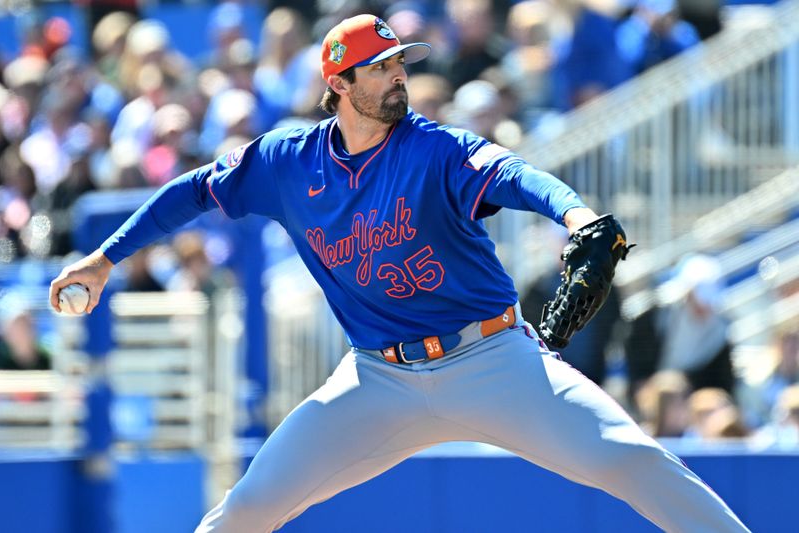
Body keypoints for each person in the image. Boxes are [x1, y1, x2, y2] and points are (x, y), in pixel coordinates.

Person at [49, 14, 750, 533]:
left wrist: (577, 218)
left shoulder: (434, 148)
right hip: (377, 380)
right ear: (339, 83)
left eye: (399, 63)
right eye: (380, 66)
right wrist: (104, 257)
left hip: (491, 358)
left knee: (633, 460)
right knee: (250, 507)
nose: (397, 75)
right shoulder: (288, 160)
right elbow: (194, 191)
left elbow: (517, 175)